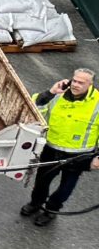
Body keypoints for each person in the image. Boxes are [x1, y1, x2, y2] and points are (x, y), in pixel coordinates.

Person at [22, 67, 98, 227]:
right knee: (42, 181)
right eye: (74, 81)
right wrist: (50, 92)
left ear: (91, 84)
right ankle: (35, 203)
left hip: (79, 155)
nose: (76, 85)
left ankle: (51, 210)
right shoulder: (57, 95)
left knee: (66, 187)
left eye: (81, 83)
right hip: (51, 149)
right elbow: (35, 107)